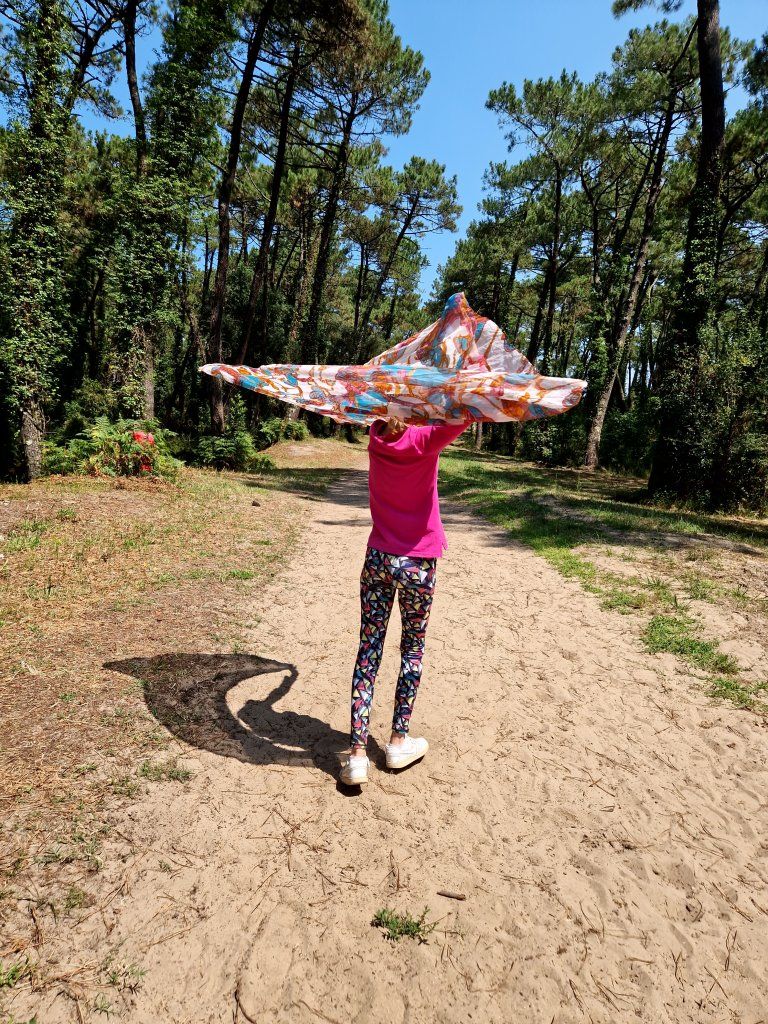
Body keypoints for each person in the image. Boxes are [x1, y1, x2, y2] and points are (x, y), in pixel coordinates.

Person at [340, 414, 469, 786]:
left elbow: (390, 418)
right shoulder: (427, 440)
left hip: (378, 558)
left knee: (368, 651)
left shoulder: (375, 436)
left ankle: (357, 756)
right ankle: (398, 742)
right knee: (411, 649)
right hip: (418, 563)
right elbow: (465, 413)